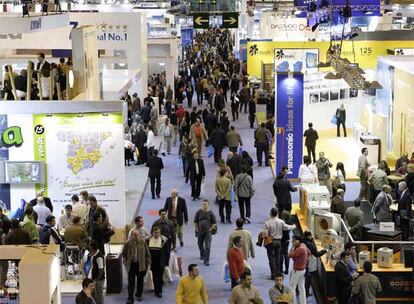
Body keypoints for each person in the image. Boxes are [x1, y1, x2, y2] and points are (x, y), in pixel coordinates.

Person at [264, 208, 296, 279]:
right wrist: (294, 226)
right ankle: (278, 274)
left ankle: (273, 274)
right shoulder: (281, 221)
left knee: (272, 258)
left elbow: (265, 234)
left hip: (271, 242)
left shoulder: (267, 223)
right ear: (277, 213)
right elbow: (287, 228)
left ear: (271, 213)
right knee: (278, 258)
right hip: (279, 242)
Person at [122, 229, 151, 303]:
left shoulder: (143, 242)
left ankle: (139, 294)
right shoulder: (128, 243)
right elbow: (124, 253)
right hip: (131, 265)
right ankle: (130, 298)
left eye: (138, 235)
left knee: (140, 281)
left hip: (141, 265)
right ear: (132, 236)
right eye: (135, 235)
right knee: (131, 282)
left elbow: (147, 254)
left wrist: (148, 264)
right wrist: (125, 261)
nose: (136, 236)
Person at [303, 230, 327, 298]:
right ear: (309, 236)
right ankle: (306, 292)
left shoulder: (303, 241)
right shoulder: (309, 244)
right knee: (308, 278)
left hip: (305, 262)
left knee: (305, 277)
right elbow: (317, 254)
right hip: (310, 263)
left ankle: (302, 290)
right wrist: (325, 251)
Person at [147, 227, 168, 298]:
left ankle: (160, 291)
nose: (157, 234)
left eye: (159, 232)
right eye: (156, 233)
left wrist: (166, 263)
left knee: (160, 277)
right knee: (155, 277)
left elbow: (167, 253)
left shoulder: (163, 240)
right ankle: (156, 290)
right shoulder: (148, 240)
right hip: (152, 262)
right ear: (152, 233)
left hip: (160, 262)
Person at [194, 200, 217, 266]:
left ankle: (206, 260)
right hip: (200, 232)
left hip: (208, 233)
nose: (205, 205)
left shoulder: (211, 213)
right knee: (200, 244)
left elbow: (214, 223)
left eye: (206, 204)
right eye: (204, 204)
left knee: (207, 246)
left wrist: (210, 229)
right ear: (202, 205)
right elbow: (195, 222)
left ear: (208, 205)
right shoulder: (198, 212)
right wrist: (196, 229)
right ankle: (202, 254)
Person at [288, 235, 310, 304]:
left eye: (294, 240)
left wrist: (292, 247)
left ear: (298, 241)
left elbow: (289, 255)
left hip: (297, 270)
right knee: (301, 287)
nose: (292, 241)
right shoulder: (304, 245)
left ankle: (292, 302)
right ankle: (303, 302)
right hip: (303, 270)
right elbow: (309, 253)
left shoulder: (299, 249)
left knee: (292, 287)